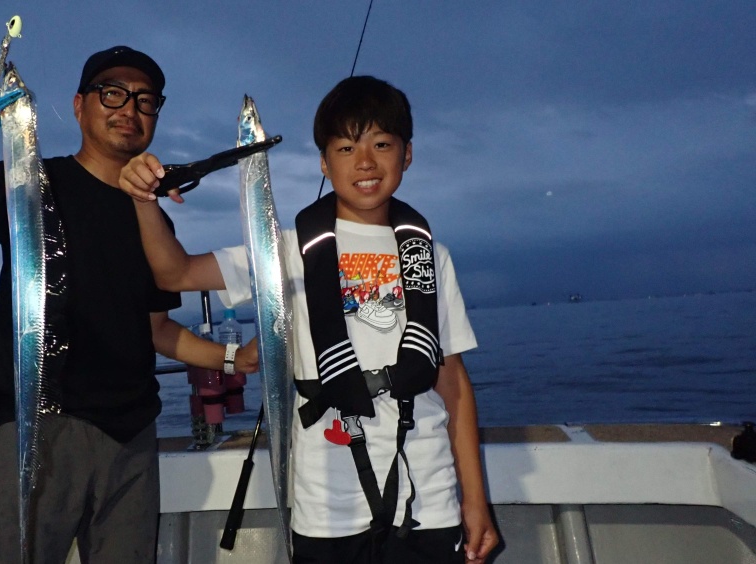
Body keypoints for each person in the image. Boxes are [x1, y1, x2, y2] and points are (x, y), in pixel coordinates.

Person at [0, 46, 257, 563]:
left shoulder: (154, 219)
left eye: (145, 100)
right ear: (79, 106)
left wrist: (234, 359)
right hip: (38, 425)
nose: (129, 109)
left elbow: (159, 330)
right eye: (112, 93)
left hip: (132, 436)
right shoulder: (26, 184)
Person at [120, 76, 499, 563]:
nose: (365, 162)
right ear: (323, 162)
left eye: (382, 144)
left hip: (429, 500)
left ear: (407, 154)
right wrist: (144, 200)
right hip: (325, 506)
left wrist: (474, 498)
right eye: (346, 148)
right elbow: (176, 272)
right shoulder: (282, 251)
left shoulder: (430, 256)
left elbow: (453, 383)